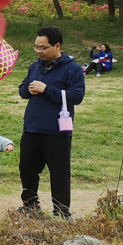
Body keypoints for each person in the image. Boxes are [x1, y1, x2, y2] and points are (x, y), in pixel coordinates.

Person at [18, 26, 85, 219]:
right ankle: (30, 206)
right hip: (32, 128)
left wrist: (47, 89)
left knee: (59, 173)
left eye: (43, 47)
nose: (39, 51)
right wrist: (28, 90)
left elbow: (77, 96)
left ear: (57, 45)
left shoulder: (72, 69)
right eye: (36, 47)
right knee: (27, 169)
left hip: (57, 131)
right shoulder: (35, 66)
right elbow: (22, 89)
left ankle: (62, 212)